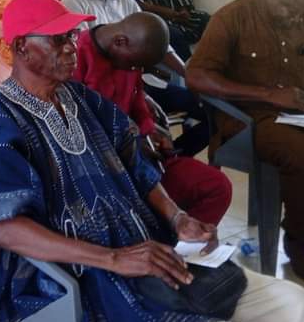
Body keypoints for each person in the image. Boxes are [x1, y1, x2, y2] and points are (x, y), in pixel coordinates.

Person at [0, 0, 304, 322]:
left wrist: (177, 217)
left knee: (298, 306)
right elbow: (2, 227)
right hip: (84, 274)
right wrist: (113, 258)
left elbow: (137, 163)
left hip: (147, 248)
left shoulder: (82, 99)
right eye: (58, 39)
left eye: (71, 36)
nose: (71, 47)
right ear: (22, 47)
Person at [187, 0, 304, 291]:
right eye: (289, 9)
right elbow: (196, 76)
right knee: (303, 154)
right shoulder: (233, 17)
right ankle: (303, 247)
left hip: (302, 116)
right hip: (246, 120)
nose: (295, 19)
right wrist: (267, 94)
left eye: (303, 13)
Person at [74, 12, 232, 224]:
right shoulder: (74, 57)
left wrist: (151, 133)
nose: (135, 70)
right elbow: (78, 131)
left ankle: (182, 241)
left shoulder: (128, 57)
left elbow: (137, 102)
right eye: (134, 65)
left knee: (217, 186)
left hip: (140, 162)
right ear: (120, 42)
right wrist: (131, 144)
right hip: (103, 170)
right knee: (140, 210)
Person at [62, 0, 207, 155]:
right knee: (145, 122)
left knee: (209, 110)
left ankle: (173, 155)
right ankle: (154, 158)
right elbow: (86, 57)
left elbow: (153, 41)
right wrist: (141, 97)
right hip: (109, 92)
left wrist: (188, 75)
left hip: (142, 82)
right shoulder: (73, 4)